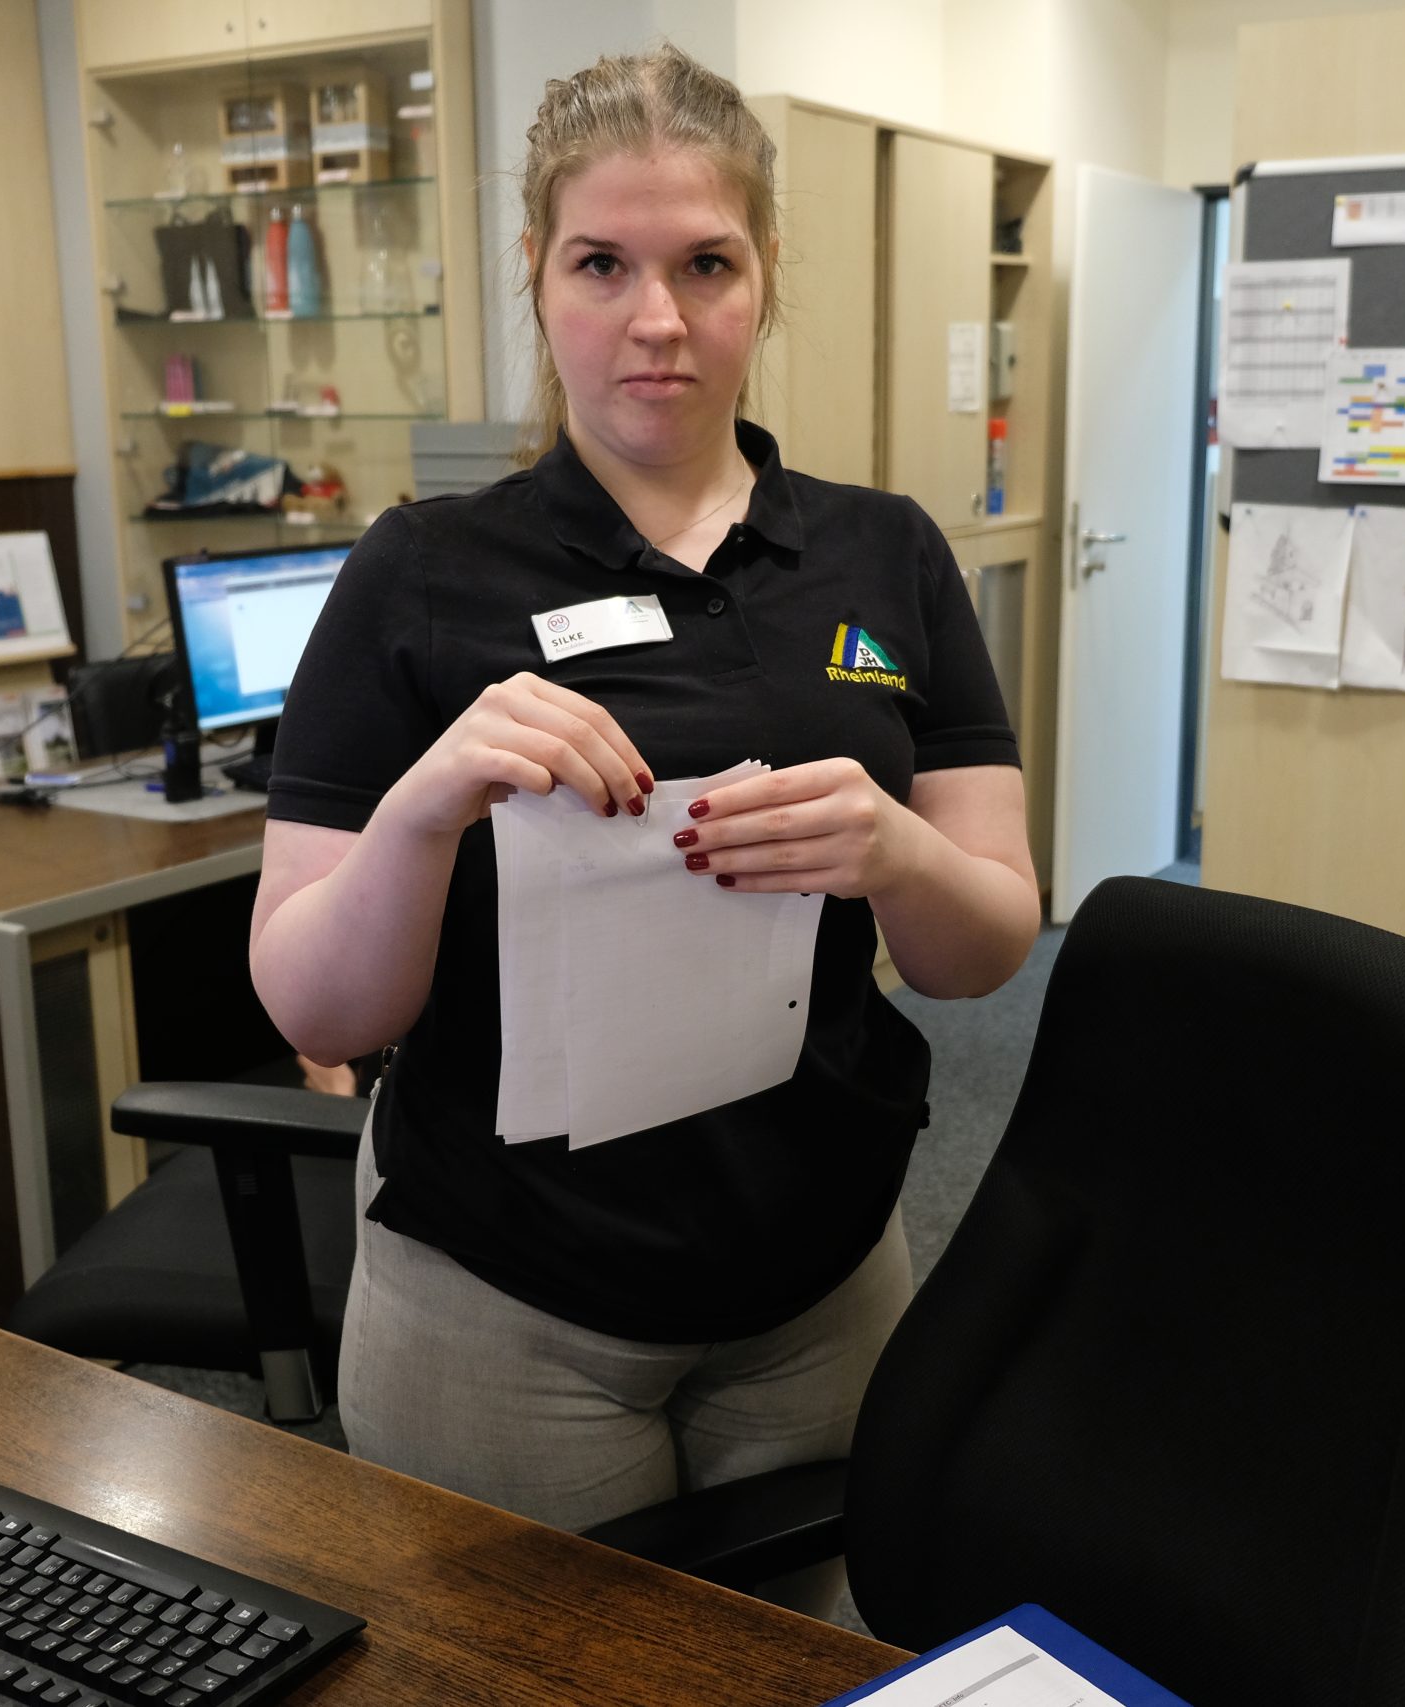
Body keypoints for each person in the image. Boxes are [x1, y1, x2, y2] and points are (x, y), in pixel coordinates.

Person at [248, 44, 1037, 1613]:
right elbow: (319, 1005)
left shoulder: (884, 556)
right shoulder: (420, 572)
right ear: (540, 277)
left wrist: (895, 850)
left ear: (761, 281)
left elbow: (989, 942)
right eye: (601, 262)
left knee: (800, 1654)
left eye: (705, 264)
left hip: (822, 1283)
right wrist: (420, 811)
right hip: (507, 1302)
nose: (657, 320)